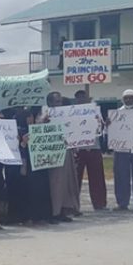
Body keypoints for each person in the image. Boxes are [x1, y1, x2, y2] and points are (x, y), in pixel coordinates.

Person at [43, 92, 78, 222]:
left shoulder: (68, 114)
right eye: (56, 102)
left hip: (67, 150)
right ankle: (54, 212)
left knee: (66, 182)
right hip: (52, 153)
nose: (58, 104)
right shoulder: (44, 115)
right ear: (49, 103)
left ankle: (64, 209)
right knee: (55, 183)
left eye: (60, 102)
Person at [74, 89, 108, 211]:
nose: (81, 100)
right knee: (75, 178)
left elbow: (102, 126)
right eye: (79, 98)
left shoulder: (95, 111)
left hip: (94, 148)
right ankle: (73, 204)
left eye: (84, 97)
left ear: (88, 99)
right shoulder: (71, 113)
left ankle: (100, 203)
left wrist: (105, 123)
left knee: (97, 178)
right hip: (78, 149)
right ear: (76, 100)